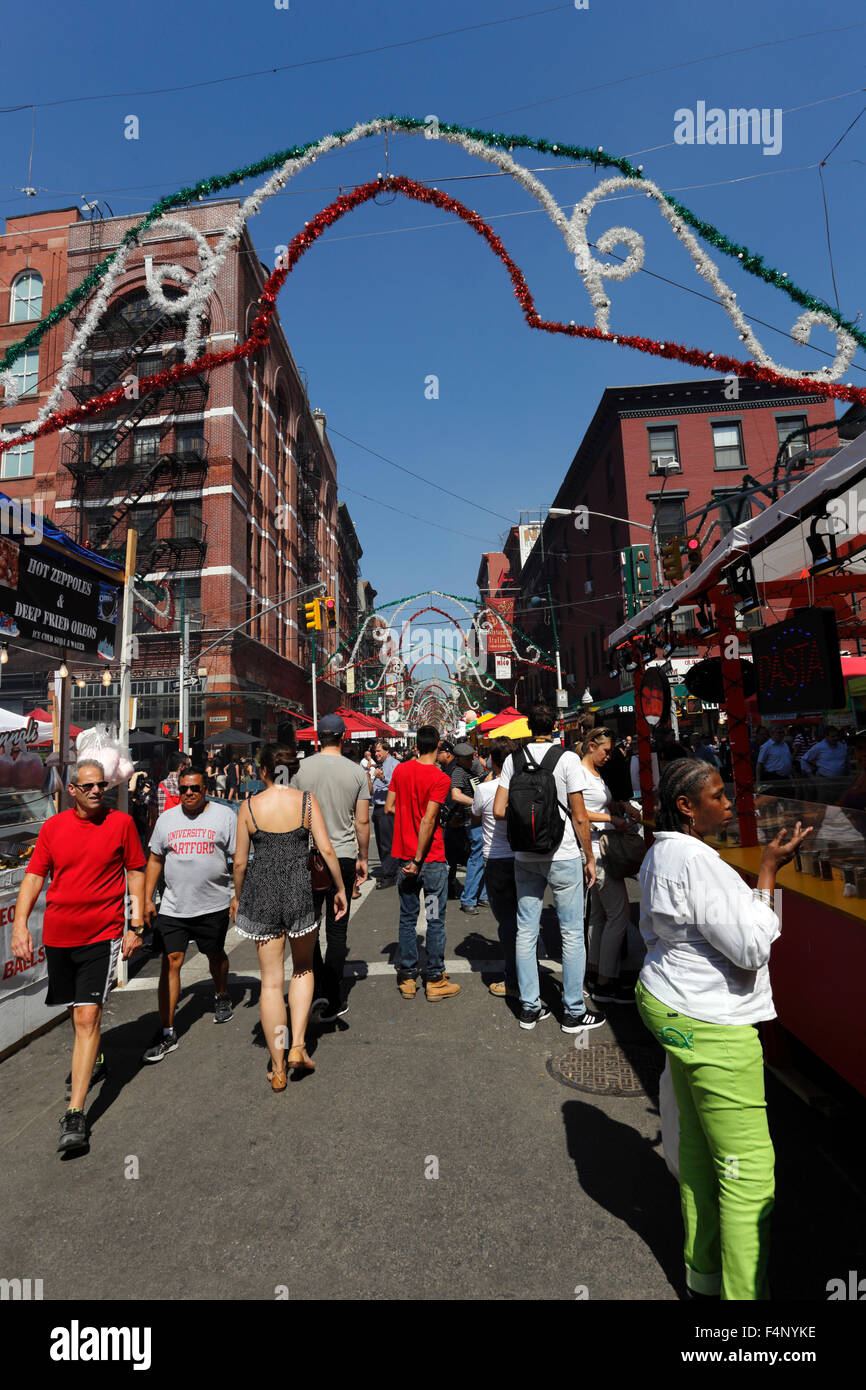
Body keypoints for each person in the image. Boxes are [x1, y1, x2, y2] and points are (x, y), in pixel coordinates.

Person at [635, 758, 811, 1301]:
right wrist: (766, 874)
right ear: (686, 807)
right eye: (717, 795)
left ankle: (703, 1274)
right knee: (748, 1175)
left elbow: (656, 932)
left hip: (668, 1002)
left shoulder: (661, 852)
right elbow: (752, 947)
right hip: (711, 1020)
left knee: (696, 1146)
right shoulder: (697, 862)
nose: (729, 802)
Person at [10, 760, 146, 1153]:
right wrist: (20, 926)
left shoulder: (120, 824)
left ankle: (75, 1113)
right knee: (77, 1012)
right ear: (72, 790)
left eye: (101, 785)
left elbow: (136, 871)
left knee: (88, 1015)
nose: (96, 791)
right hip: (58, 936)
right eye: (87, 786)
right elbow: (35, 876)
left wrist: (135, 923)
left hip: (101, 935)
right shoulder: (53, 828)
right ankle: (95, 1054)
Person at [231, 745, 346, 1090]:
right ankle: (298, 1045)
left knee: (269, 982)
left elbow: (239, 863)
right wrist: (339, 887)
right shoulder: (306, 802)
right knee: (303, 968)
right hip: (299, 892)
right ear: (290, 771)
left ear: (264, 771)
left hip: (263, 894)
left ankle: (278, 1065)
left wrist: (238, 897)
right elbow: (326, 849)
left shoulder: (249, 806)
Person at [493, 703, 604, 1033]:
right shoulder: (568, 758)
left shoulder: (513, 760)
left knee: (526, 931)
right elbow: (580, 814)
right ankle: (572, 1011)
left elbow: (499, 809)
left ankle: (529, 1006)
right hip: (564, 852)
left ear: (528, 726)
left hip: (525, 855)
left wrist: (527, 820)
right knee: (571, 933)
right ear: (554, 725)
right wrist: (589, 856)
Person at [141, 766, 238, 1062]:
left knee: (215, 955)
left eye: (195, 788)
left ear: (205, 788)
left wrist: (238, 897)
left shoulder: (225, 816)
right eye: (184, 789)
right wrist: (147, 899)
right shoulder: (167, 820)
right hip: (173, 906)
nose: (189, 794)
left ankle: (221, 994)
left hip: (213, 904)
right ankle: (167, 1030)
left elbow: (238, 860)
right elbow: (155, 860)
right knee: (172, 961)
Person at [293, 714, 370, 1020]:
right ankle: (332, 991)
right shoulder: (356, 772)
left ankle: (312, 987)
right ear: (342, 737)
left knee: (308, 927)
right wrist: (364, 857)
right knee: (337, 930)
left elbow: (293, 813)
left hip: (308, 857)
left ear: (317, 738)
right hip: (343, 856)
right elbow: (362, 821)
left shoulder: (300, 769)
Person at [385, 725, 460, 1002]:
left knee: (407, 917)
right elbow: (429, 820)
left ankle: (407, 978)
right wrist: (418, 858)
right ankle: (434, 978)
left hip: (405, 858)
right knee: (434, 918)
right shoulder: (439, 778)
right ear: (438, 745)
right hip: (428, 861)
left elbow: (389, 807)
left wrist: (407, 820)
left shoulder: (401, 771)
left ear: (416, 744)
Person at [579, 727, 641, 1005]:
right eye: (605, 751)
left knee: (600, 915)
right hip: (597, 850)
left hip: (598, 848)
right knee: (619, 914)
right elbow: (577, 812)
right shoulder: (580, 772)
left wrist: (618, 806)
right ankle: (606, 981)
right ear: (591, 746)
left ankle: (596, 973)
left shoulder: (593, 772)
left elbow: (595, 806)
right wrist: (612, 819)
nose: (609, 756)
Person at [470, 737, 518, 998]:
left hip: (496, 860)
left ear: (493, 760)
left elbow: (475, 816)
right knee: (526, 921)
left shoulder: (486, 790)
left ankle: (513, 980)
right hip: (523, 859)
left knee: (508, 923)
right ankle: (526, 974)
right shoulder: (522, 785)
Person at [449, 741, 488, 916]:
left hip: (477, 817)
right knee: (477, 856)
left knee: (483, 856)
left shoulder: (468, 770)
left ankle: (481, 894)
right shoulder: (458, 771)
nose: (471, 760)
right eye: (467, 758)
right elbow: (455, 794)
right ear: (459, 759)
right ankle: (469, 899)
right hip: (472, 819)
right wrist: (477, 803)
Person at [370, 739, 398, 888]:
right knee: (381, 842)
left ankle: (390, 875)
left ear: (387, 751)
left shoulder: (394, 764)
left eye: (379, 751)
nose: (377, 753)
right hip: (378, 807)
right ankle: (387, 870)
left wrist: (382, 777)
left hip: (388, 807)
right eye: (375, 751)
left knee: (387, 842)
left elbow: (395, 784)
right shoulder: (380, 765)